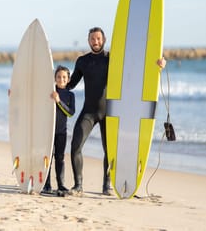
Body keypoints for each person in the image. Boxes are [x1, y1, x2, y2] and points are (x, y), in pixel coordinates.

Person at [67, 27, 166, 196]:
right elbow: (70, 84)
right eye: (92, 39)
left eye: (98, 38)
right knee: (75, 146)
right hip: (89, 112)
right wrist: (52, 87)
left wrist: (157, 65)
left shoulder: (113, 58)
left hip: (110, 113)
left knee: (110, 151)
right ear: (88, 41)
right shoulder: (82, 61)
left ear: (104, 40)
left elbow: (135, 70)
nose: (95, 42)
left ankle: (107, 186)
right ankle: (78, 186)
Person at [43, 65, 75, 196]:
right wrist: (14, 93)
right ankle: (46, 184)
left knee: (60, 158)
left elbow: (71, 113)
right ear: (54, 78)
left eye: (64, 77)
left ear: (68, 79)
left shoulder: (70, 95)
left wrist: (58, 101)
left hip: (61, 132)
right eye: (58, 77)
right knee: (48, 158)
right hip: (48, 131)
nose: (61, 79)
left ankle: (61, 185)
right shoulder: (49, 91)